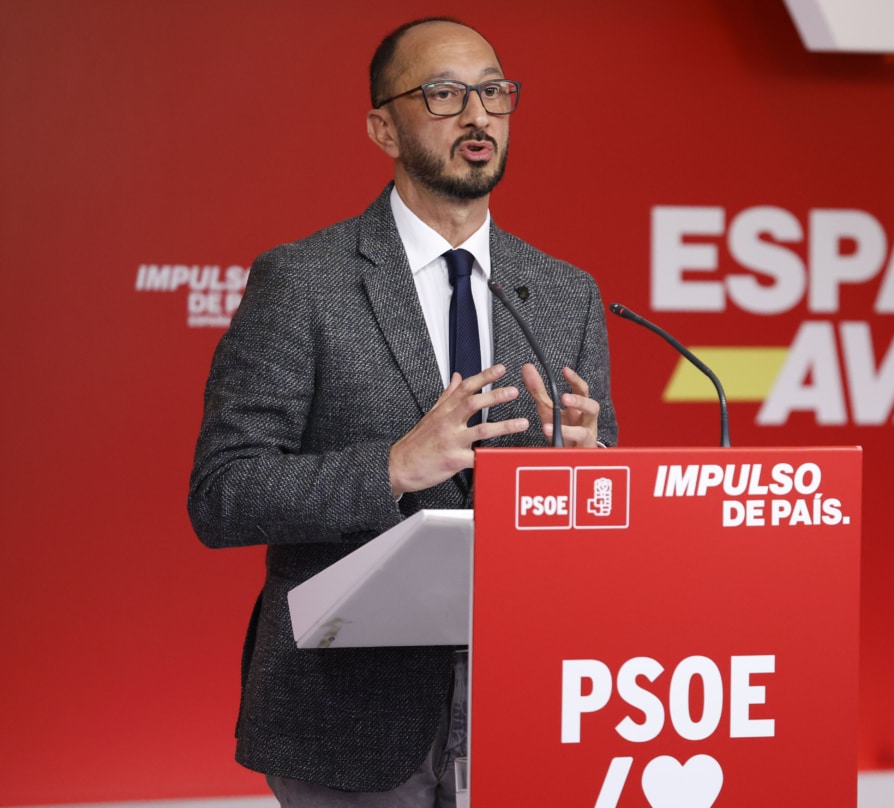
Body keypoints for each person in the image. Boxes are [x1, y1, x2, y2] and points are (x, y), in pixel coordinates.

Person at [188, 17, 617, 805]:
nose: (477, 115)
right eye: (444, 95)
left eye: (493, 92)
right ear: (383, 126)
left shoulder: (565, 294)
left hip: (526, 706)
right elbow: (223, 492)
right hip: (348, 716)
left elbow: (596, 512)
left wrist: (590, 473)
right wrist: (391, 467)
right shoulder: (304, 282)